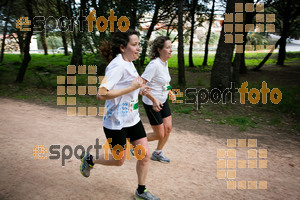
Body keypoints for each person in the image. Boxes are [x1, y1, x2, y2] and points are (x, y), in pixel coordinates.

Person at [80, 29, 160, 200]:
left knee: (145, 155)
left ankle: (141, 191)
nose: (138, 48)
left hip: (132, 119)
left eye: (139, 44)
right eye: (134, 44)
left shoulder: (129, 63)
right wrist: (130, 88)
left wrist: (151, 98)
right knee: (119, 160)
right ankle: (90, 159)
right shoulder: (117, 65)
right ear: (123, 47)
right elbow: (101, 94)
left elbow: (136, 86)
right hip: (115, 122)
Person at [140, 36, 175, 163]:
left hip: (163, 100)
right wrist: (153, 99)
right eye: (168, 47)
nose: (171, 50)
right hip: (151, 103)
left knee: (168, 128)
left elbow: (163, 82)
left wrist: (170, 91)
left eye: (171, 47)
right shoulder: (154, 65)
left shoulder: (164, 63)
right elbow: (141, 84)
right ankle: (134, 142)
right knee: (159, 134)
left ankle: (157, 152)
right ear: (160, 50)